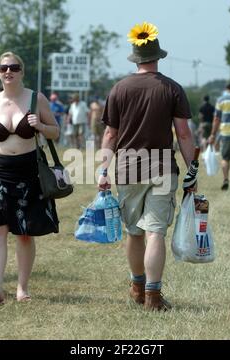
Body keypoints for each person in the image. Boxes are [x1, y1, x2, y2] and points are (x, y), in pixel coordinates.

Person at [97, 22, 195, 311]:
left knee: (134, 232)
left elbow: (110, 135)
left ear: (135, 58)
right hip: (162, 167)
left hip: (127, 168)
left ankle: (137, 286)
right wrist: (192, 171)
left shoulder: (119, 88)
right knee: (155, 232)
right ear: (158, 57)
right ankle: (153, 296)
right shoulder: (172, 89)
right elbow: (185, 134)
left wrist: (103, 171)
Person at [0, 52, 60, 305]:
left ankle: (22, 289)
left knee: (25, 233)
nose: (8, 72)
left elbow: (55, 132)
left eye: (14, 67)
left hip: (29, 170)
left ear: (22, 71)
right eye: (3, 68)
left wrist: (42, 127)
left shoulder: (37, 99)